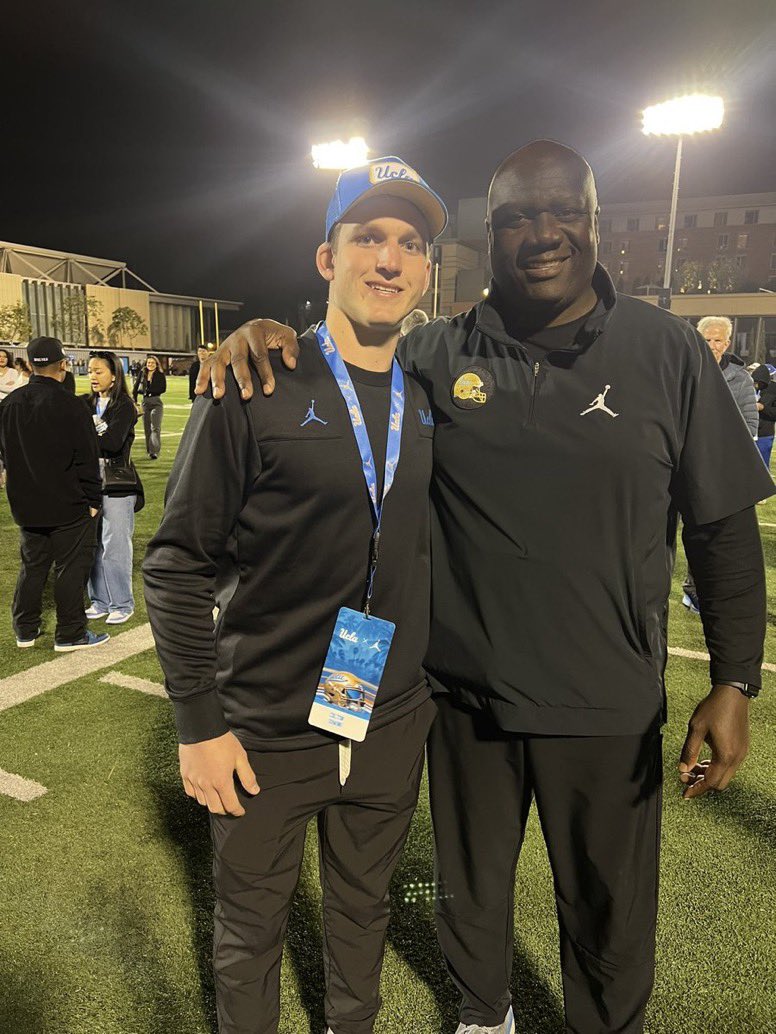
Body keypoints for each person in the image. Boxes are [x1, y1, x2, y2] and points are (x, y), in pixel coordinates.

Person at [201, 140, 773, 1034]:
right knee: (470, 897)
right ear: (490, 233)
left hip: (607, 701)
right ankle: (483, 1015)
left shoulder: (667, 352)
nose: (541, 235)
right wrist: (268, 335)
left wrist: (735, 676)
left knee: (610, 914)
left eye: (563, 214)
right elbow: (350, 359)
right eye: (516, 219)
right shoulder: (434, 353)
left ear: (597, 224)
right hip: (463, 704)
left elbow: (724, 529)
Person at [143, 157, 447, 1034]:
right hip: (263, 729)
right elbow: (176, 563)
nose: (388, 259)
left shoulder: (429, 399)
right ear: (328, 259)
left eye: (409, 243)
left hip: (385, 716)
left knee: (363, 919)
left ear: (427, 270)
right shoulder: (253, 382)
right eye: (368, 238)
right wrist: (199, 726)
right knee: (250, 935)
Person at [0, 336, 109, 652]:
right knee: (70, 567)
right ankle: (71, 632)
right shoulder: (72, 405)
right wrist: (93, 500)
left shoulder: (8, 405)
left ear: (31, 364)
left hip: (26, 505)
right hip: (66, 503)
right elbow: (87, 459)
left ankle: (25, 629)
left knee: (33, 567)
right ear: (63, 364)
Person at [682, 316, 759, 613]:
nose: (712, 346)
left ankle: (697, 590)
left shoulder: (740, 379)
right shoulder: (683, 369)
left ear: (727, 344)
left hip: (717, 467)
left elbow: (749, 424)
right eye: (706, 339)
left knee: (708, 532)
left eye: (718, 340)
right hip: (677, 462)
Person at [83, 351, 143, 625]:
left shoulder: (125, 406)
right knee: (92, 545)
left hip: (118, 484)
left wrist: (83, 439)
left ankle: (122, 603)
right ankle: (100, 600)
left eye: (98, 371)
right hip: (87, 483)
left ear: (114, 375)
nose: (92, 376)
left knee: (115, 545)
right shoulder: (84, 403)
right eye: (90, 370)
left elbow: (112, 443)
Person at [133, 354, 166, 458]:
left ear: (156, 364)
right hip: (145, 402)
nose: (150, 364)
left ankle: (154, 451)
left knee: (155, 427)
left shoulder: (160, 374)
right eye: (148, 363)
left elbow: (163, 388)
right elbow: (135, 387)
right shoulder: (142, 373)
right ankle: (150, 450)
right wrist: (134, 401)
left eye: (152, 363)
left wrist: (150, 391)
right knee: (147, 428)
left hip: (156, 402)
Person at [750, 364, 776, 470]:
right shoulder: (748, 387)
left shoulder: (774, 390)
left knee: (762, 467)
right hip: (747, 431)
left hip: (764, 434)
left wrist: (763, 408)